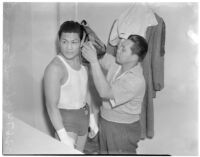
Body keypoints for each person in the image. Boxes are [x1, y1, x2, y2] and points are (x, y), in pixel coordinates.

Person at [82, 34, 148, 154]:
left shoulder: (136, 80)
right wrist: (87, 32)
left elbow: (104, 92)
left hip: (123, 129)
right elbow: (101, 53)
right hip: (105, 122)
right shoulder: (118, 64)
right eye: (120, 46)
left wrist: (94, 62)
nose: (118, 50)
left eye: (123, 49)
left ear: (135, 57)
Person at [43, 21, 97, 152]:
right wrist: (63, 136)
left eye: (74, 42)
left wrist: (91, 118)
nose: (69, 47)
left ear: (82, 42)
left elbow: (85, 92)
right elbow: (51, 106)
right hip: (66, 122)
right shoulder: (55, 68)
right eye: (64, 42)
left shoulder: (83, 63)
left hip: (83, 117)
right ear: (58, 41)